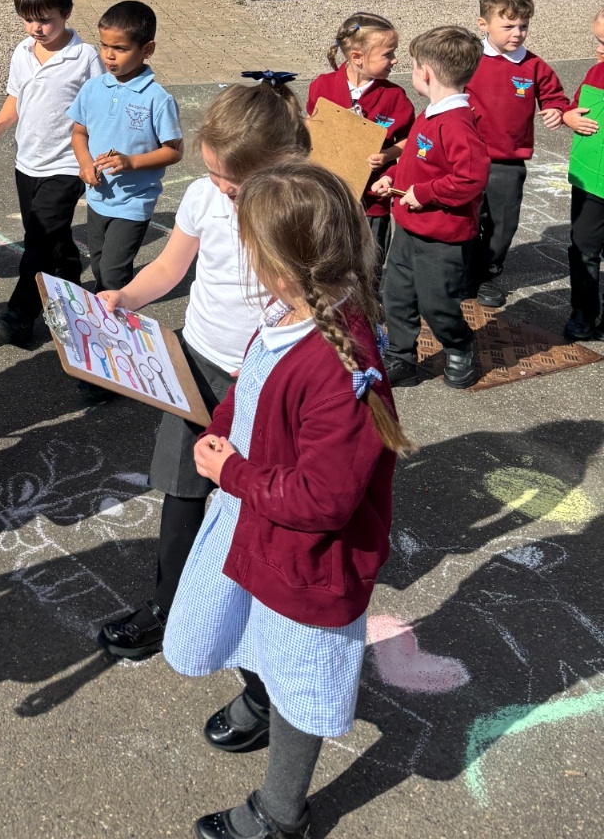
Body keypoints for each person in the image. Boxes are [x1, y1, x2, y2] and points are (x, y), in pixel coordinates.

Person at [164, 162, 411, 839]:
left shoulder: (339, 366)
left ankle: (280, 813)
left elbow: (325, 499)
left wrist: (234, 474)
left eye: (250, 246)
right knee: (242, 623)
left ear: (279, 265)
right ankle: (258, 693)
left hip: (305, 557)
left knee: (301, 678)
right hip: (254, 524)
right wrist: (218, 433)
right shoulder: (286, 315)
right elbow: (246, 391)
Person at [96, 75, 310, 663]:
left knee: (259, 501)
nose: (221, 188)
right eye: (213, 173)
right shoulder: (203, 197)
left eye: (232, 183)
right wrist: (126, 297)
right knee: (182, 489)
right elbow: (170, 268)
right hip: (198, 363)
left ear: (280, 165)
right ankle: (169, 606)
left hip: (267, 379)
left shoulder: (297, 209)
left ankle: (257, 627)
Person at [0, 0, 103, 347]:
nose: (36, 28)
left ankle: (21, 313)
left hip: (67, 164)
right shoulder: (22, 52)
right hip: (27, 161)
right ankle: (70, 285)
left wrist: (95, 158)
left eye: (45, 20)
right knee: (51, 237)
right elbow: (16, 97)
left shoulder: (85, 57)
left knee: (39, 238)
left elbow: (100, 108)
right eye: (28, 19)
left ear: (67, 13)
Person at [372, 26, 490, 390]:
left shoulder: (456, 124)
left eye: (412, 66)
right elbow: (414, 160)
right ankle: (401, 356)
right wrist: (391, 177)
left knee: (437, 303)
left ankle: (459, 345)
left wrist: (423, 194)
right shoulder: (431, 115)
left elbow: (470, 179)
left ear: (426, 73)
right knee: (397, 295)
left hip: (442, 237)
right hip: (409, 228)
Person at [68, 0, 182, 306]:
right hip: (98, 197)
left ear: (147, 50)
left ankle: (111, 322)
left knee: (112, 273)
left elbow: (174, 151)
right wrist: (84, 163)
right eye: (104, 45)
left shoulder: (157, 99)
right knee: (99, 266)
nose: (108, 55)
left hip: (134, 202)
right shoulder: (92, 88)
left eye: (120, 48)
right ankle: (111, 310)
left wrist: (131, 162)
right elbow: (79, 132)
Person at [467, 0, 568, 307]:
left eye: (523, 26)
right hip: (465, 156)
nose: (517, 33)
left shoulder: (533, 66)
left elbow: (554, 94)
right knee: (464, 219)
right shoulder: (468, 58)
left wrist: (556, 109)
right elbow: (440, 83)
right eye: (508, 26)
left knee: (502, 223)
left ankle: (486, 275)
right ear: (483, 24)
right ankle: (459, 272)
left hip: (508, 161)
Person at [306, 11, 414, 260]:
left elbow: (411, 140)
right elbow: (312, 126)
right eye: (388, 54)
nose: (395, 60)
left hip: (372, 202)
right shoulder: (322, 86)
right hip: (326, 197)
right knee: (325, 259)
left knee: (369, 263)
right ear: (357, 57)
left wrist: (387, 155)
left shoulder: (395, 97)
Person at [562, 8, 604, 340]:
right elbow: (576, 106)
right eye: (598, 40)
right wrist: (568, 117)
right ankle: (583, 312)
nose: (599, 48)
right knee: (583, 247)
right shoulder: (595, 73)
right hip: (591, 179)